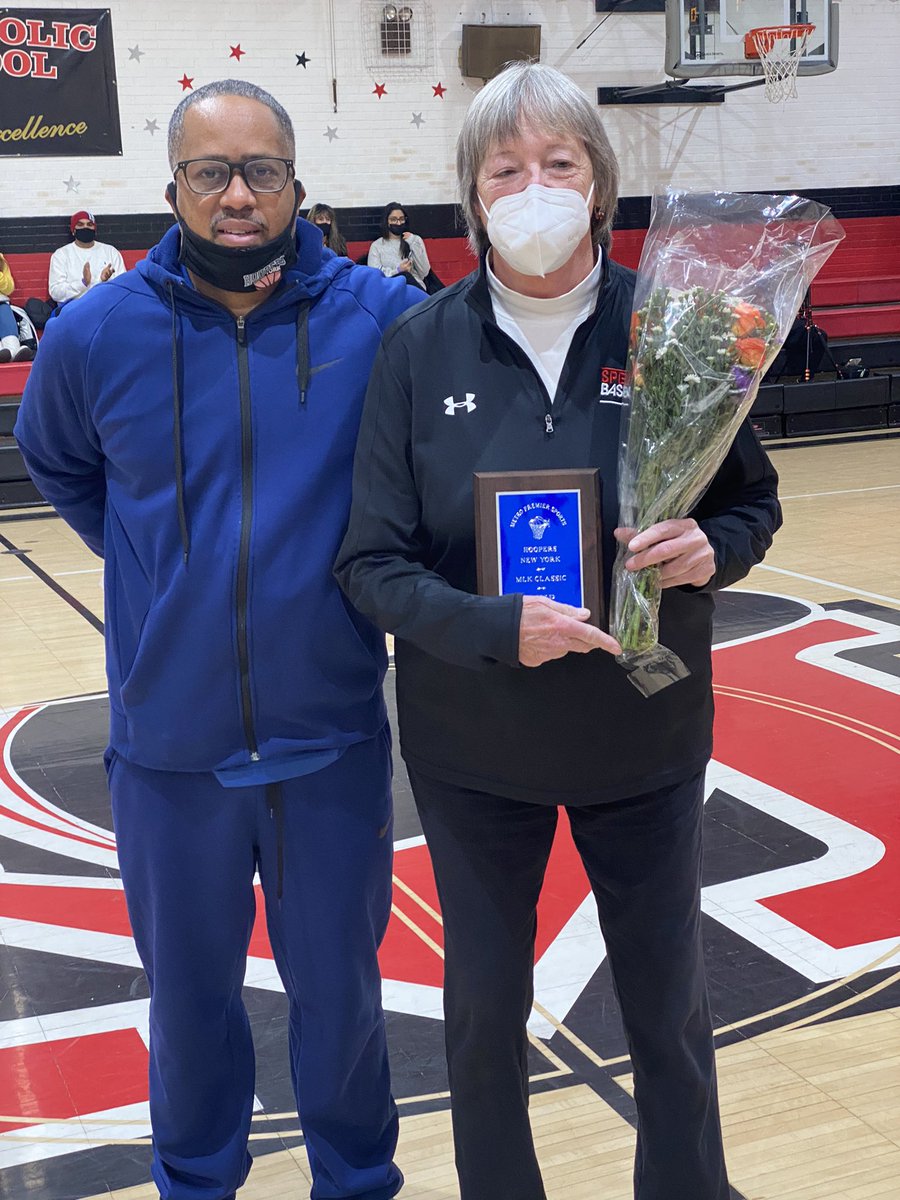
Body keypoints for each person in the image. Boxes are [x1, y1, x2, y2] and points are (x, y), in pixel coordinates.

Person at [336, 62, 782, 1200]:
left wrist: (711, 551)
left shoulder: (681, 329)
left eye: (559, 163)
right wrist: (494, 627)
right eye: (505, 170)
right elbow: (370, 567)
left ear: (600, 185)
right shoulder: (416, 349)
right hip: (475, 750)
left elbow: (751, 505)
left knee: (668, 1005)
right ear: (472, 198)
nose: (532, 188)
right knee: (485, 1017)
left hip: (645, 729)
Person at [16, 78, 421, 1200]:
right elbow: (60, 465)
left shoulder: (379, 323)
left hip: (328, 738)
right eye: (212, 172)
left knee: (340, 1000)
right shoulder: (96, 336)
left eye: (262, 171)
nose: (238, 195)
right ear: (173, 187)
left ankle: (355, 1180)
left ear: (297, 184)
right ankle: (197, 1181)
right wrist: (160, 566)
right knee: (189, 1003)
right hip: (168, 751)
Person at [48, 211, 126, 305]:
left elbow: (123, 286)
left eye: (89, 224)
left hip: (105, 305)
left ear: (95, 229)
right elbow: (56, 293)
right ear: (73, 230)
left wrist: (104, 281)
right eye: (80, 225)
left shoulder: (111, 252)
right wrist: (83, 283)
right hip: (73, 308)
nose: (85, 228)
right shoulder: (61, 255)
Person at [367, 202, 430, 289]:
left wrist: (412, 243)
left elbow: (424, 272)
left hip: (414, 288)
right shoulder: (377, 245)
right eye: (393, 219)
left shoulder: (415, 240)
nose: (398, 223)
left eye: (401, 219)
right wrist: (398, 271)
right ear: (386, 221)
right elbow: (374, 274)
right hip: (390, 289)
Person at [0, 251, 34, 361]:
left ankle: (14, 351)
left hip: (1, 302)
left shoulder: (1, 260)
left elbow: (9, 288)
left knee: (5, 312)